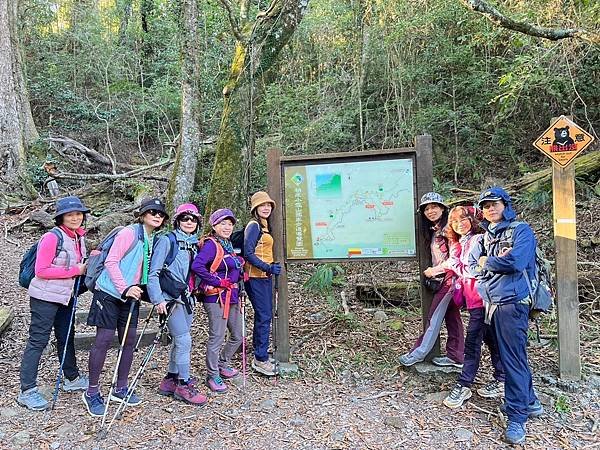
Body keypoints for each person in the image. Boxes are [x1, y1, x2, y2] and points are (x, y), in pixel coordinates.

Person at [469, 187, 543, 445]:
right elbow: (473, 265)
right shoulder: (486, 236)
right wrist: (488, 263)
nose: (490, 208)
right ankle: (530, 401)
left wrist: (487, 262)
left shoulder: (521, 230)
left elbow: (515, 262)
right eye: (486, 205)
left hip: (513, 303)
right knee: (511, 356)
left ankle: (517, 416)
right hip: (492, 302)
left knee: (512, 359)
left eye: (495, 203)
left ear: (506, 204)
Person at [83, 198, 167, 417]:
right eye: (152, 212)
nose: (157, 216)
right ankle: (92, 392)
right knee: (103, 340)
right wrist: (125, 287)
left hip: (131, 296)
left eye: (160, 214)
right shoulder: (129, 233)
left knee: (129, 341)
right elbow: (111, 261)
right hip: (109, 293)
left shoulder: (151, 237)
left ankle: (120, 388)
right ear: (141, 214)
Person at [17, 196, 90, 411]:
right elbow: (41, 270)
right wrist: (75, 270)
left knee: (66, 336)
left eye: (78, 214)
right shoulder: (51, 237)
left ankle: (71, 378)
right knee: (38, 340)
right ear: (61, 217)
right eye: (70, 214)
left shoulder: (78, 237)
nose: (75, 217)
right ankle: (27, 390)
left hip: (66, 297)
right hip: (44, 298)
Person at [442, 206, 505, 409]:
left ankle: (464, 383)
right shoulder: (462, 241)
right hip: (474, 298)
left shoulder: (478, 239)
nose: (459, 224)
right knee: (490, 338)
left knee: (472, 340)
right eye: (454, 221)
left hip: (482, 298)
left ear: (471, 219)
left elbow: (474, 268)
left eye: (463, 219)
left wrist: (453, 264)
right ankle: (502, 377)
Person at [147, 203, 207, 406]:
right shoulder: (167, 240)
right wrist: (157, 299)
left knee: (180, 341)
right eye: (184, 218)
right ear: (177, 221)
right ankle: (184, 384)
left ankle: (170, 379)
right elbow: (153, 272)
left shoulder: (194, 244)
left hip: (187, 298)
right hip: (170, 299)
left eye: (193, 219)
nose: (189, 222)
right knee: (184, 340)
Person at [399, 192, 464, 368]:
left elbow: (455, 259)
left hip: (451, 280)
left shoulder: (449, 230)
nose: (430, 211)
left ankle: (418, 353)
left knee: (433, 317)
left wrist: (433, 271)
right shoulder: (435, 230)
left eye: (434, 206)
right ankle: (457, 357)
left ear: (443, 208)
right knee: (452, 317)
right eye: (427, 208)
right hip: (448, 280)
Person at [192, 208, 244, 394]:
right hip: (215, 298)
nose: (227, 227)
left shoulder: (228, 245)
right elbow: (197, 265)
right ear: (214, 226)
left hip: (232, 297)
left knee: (238, 335)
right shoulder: (211, 245)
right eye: (223, 223)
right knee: (217, 337)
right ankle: (212, 374)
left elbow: (232, 269)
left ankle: (223, 363)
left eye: (230, 224)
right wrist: (217, 281)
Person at [243, 191, 282, 376]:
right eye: (262, 205)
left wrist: (269, 267)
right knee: (265, 315)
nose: (266, 208)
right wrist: (267, 267)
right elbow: (248, 253)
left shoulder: (265, 227)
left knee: (263, 315)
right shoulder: (254, 226)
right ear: (255, 208)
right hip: (255, 277)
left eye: (268, 205)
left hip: (264, 276)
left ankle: (260, 352)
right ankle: (260, 359)